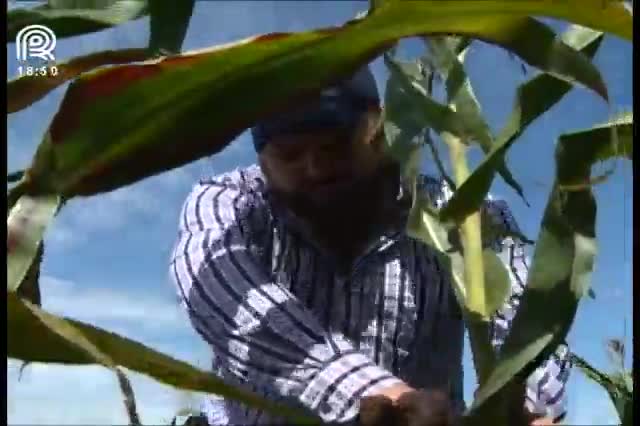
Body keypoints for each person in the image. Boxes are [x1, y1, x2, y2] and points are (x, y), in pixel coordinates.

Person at [169, 65, 571, 426]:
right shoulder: (231, 202)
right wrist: (379, 396)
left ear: (378, 131)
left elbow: (525, 320)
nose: (315, 168)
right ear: (261, 157)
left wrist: (527, 401)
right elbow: (214, 287)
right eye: (290, 155)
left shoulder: (463, 216)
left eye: (335, 146)